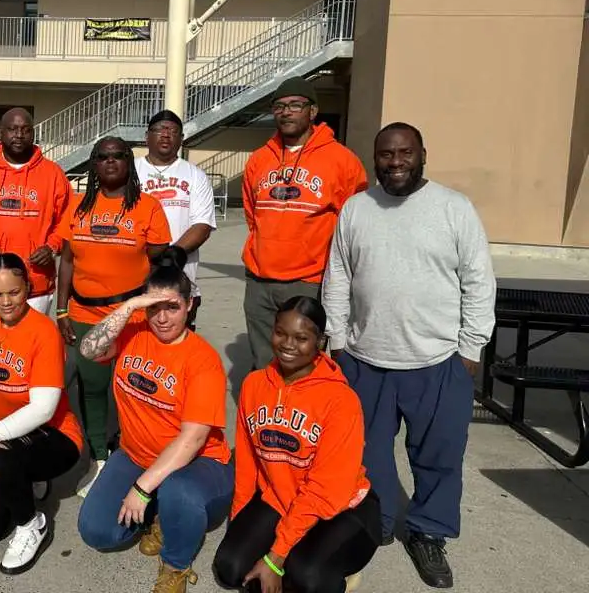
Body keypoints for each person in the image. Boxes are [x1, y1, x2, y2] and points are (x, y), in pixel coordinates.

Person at [322, 122, 496, 590]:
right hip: (365, 359)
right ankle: (374, 521)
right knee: (367, 454)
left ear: (422, 155)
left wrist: (470, 348)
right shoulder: (357, 209)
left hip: (438, 361)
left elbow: (479, 282)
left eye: (405, 153)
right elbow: (337, 275)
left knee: (439, 457)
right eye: (385, 154)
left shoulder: (454, 209)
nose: (395, 162)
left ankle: (428, 532)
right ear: (374, 158)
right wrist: (337, 340)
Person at [76, 250, 233, 593]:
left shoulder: (202, 361)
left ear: (190, 305)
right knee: (96, 531)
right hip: (136, 453)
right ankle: (160, 510)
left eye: (172, 307)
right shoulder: (134, 332)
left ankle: (176, 563)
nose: (161, 319)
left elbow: (191, 440)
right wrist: (129, 306)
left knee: (178, 489)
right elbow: (88, 349)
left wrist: (141, 488)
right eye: (153, 308)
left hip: (195, 463)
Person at [213, 296, 380, 593]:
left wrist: (276, 556)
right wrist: (240, 525)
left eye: (301, 338)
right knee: (231, 568)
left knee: (304, 577)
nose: (288, 344)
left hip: (339, 508)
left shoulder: (341, 401)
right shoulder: (254, 385)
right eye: (281, 333)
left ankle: (339, 578)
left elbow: (325, 489)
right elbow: (248, 463)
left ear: (320, 342)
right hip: (281, 497)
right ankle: (290, 554)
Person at [0, 253, 83, 574]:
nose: (5, 302)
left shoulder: (44, 332)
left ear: (28, 287)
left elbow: (43, 409)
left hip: (55, 437)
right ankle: (20, 479)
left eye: (14, 292)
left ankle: (31, 524)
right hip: (4, 440)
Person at [56, 136, 170, 497]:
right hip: (86, 313)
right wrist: (62, 309)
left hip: (132, 315)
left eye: (118, 156)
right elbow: (68, 262)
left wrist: (156, 310)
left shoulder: (148, 207)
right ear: (93, 164)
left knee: (135, 389)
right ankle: (100, 457)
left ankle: (137, 454)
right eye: (102, 157)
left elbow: (160, 264)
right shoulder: (77, 206)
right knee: (93, 388)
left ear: (129, 163)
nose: (110, 162)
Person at [241, 76, 367, 370]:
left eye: (295, 105)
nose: (286, 112)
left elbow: (355, 222)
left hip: (309, 281)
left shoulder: (342, 160)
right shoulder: (259, 159)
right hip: (259, 282)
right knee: (263, 361)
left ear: (312, 111)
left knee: (303, 362)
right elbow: (252, 213)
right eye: (279, 106)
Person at [0, 107, 72, 336]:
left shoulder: (53, 174)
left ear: (33, 134)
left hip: (35, 285)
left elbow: (67, 222)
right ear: (1, 133)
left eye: (26, 130)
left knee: (29, 359)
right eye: (13, 129)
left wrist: (52, 247)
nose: (19, 135)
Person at [134, 110, 216, 329]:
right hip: (134, 278)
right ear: (147, 136)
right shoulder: (131, 172)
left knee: (178, 345)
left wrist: (171, 255)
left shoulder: (195, 175)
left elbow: (203, 225)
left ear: (181, 139)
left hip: (181, 276)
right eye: (160, 129)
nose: (166, 135)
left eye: (173, 131)